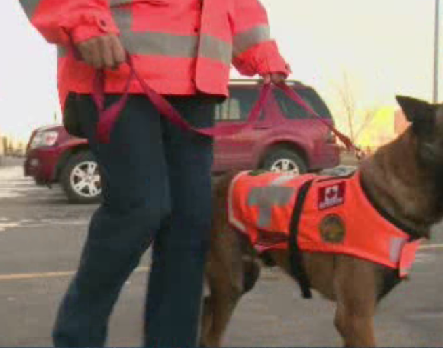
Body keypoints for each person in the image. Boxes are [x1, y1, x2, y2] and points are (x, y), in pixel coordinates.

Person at [18, 0, 290, 346]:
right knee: (140, 208)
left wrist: (261, 52)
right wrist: (82, 20)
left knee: (190, 223)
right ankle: (76, 337)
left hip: (198, 79)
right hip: (116, 63)